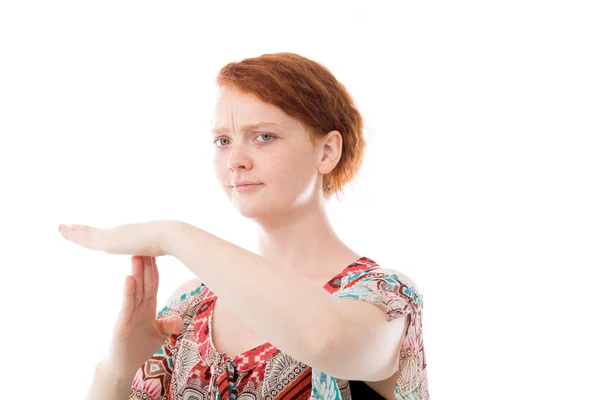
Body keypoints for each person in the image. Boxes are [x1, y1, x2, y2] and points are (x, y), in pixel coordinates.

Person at [66, 52, 428, 399]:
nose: (235, 161)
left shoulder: (386, 297)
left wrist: (172, 234)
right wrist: (116, 369)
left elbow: (329, 340)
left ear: (328, 151)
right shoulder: (190, 305)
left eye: (264, 136)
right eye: (223, 141)